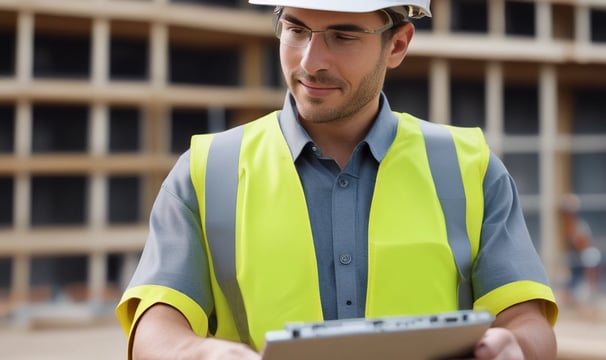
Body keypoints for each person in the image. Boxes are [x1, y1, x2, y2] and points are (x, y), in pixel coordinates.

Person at [116, 1, 559, 359]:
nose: (311, 61)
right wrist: (201, 354)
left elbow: (525, 320)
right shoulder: (207, 170)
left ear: (398, 44)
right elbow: (155, 328)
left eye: (342, 36)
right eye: (296, 30)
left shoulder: (470, 169)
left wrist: (514, 347)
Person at [559, 193, 601, 307]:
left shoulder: (579, 228)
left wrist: (590, 286)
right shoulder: (570, 226)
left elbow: (591, 273)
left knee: (581, 295)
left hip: (584, 269)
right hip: (578, 267)